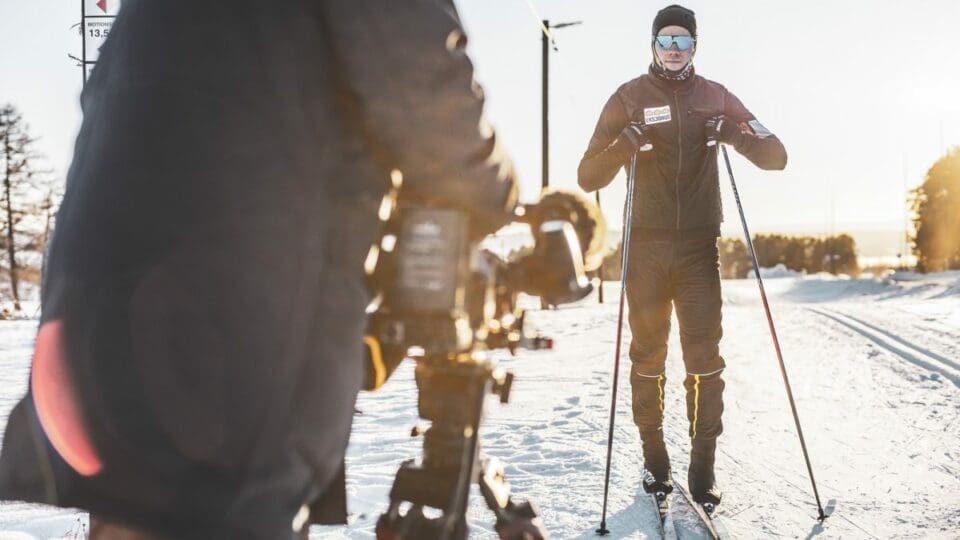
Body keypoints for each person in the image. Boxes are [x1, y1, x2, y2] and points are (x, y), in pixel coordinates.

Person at [0, 1, 518, 538]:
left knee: (140, 508)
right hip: (230, 328)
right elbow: (425, 97)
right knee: (209, 506)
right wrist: (501, 197)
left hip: (95, 319)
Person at [578, 4, 787, 506]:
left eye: (683, 40)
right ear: (653, 44)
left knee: (704, 358)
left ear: (695, 45)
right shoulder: (627, 97)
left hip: (697, 249)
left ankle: (703, 465)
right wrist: (625, 144)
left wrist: (732, 134)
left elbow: (776, 156)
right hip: (645, 249)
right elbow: (588, 175)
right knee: (648, 355)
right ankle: (654, 459)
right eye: (666, 40)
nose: (674, 49)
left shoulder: (716, 96)